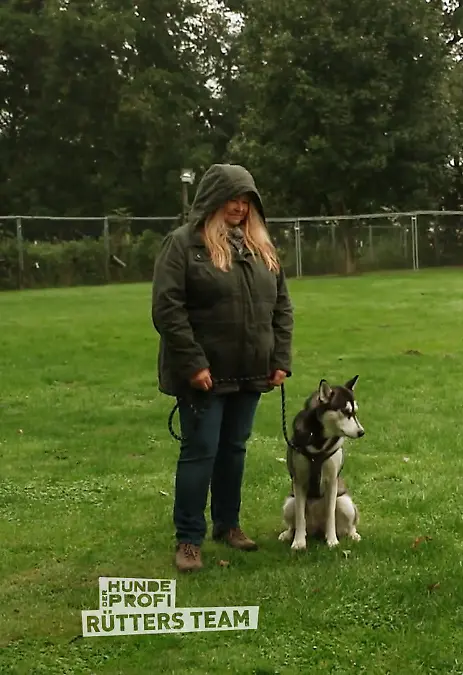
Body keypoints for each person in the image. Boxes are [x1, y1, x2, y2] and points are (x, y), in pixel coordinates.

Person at [152, 163, 294, 573]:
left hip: (251, 372)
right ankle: (189, 540)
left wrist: (280, 358)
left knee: (233, 451)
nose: (239, 207)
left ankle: (228, 526)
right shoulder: (182, 245)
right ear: (212, 200)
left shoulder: (261, 248)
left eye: (246, 200)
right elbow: (167, 308)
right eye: (232, 198)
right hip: (204, 375)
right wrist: (194, 363)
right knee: (200, 452)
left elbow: (282, 307)